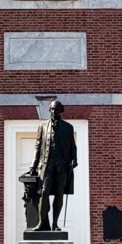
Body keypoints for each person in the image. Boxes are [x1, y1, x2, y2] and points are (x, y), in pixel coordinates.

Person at [30, 99, 77, 232]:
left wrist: (74, 159)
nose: (53, 111)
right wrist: (32, 167)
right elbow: (37, 148)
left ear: (60, 111)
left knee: (59, 194)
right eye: (51, 109)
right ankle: (42, 222)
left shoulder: (68, 127)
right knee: (44, 192)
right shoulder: (43, 126)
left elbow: (73, 147)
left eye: (56, 109)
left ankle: (55, 223)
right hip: (46, 165)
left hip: (61, 166)